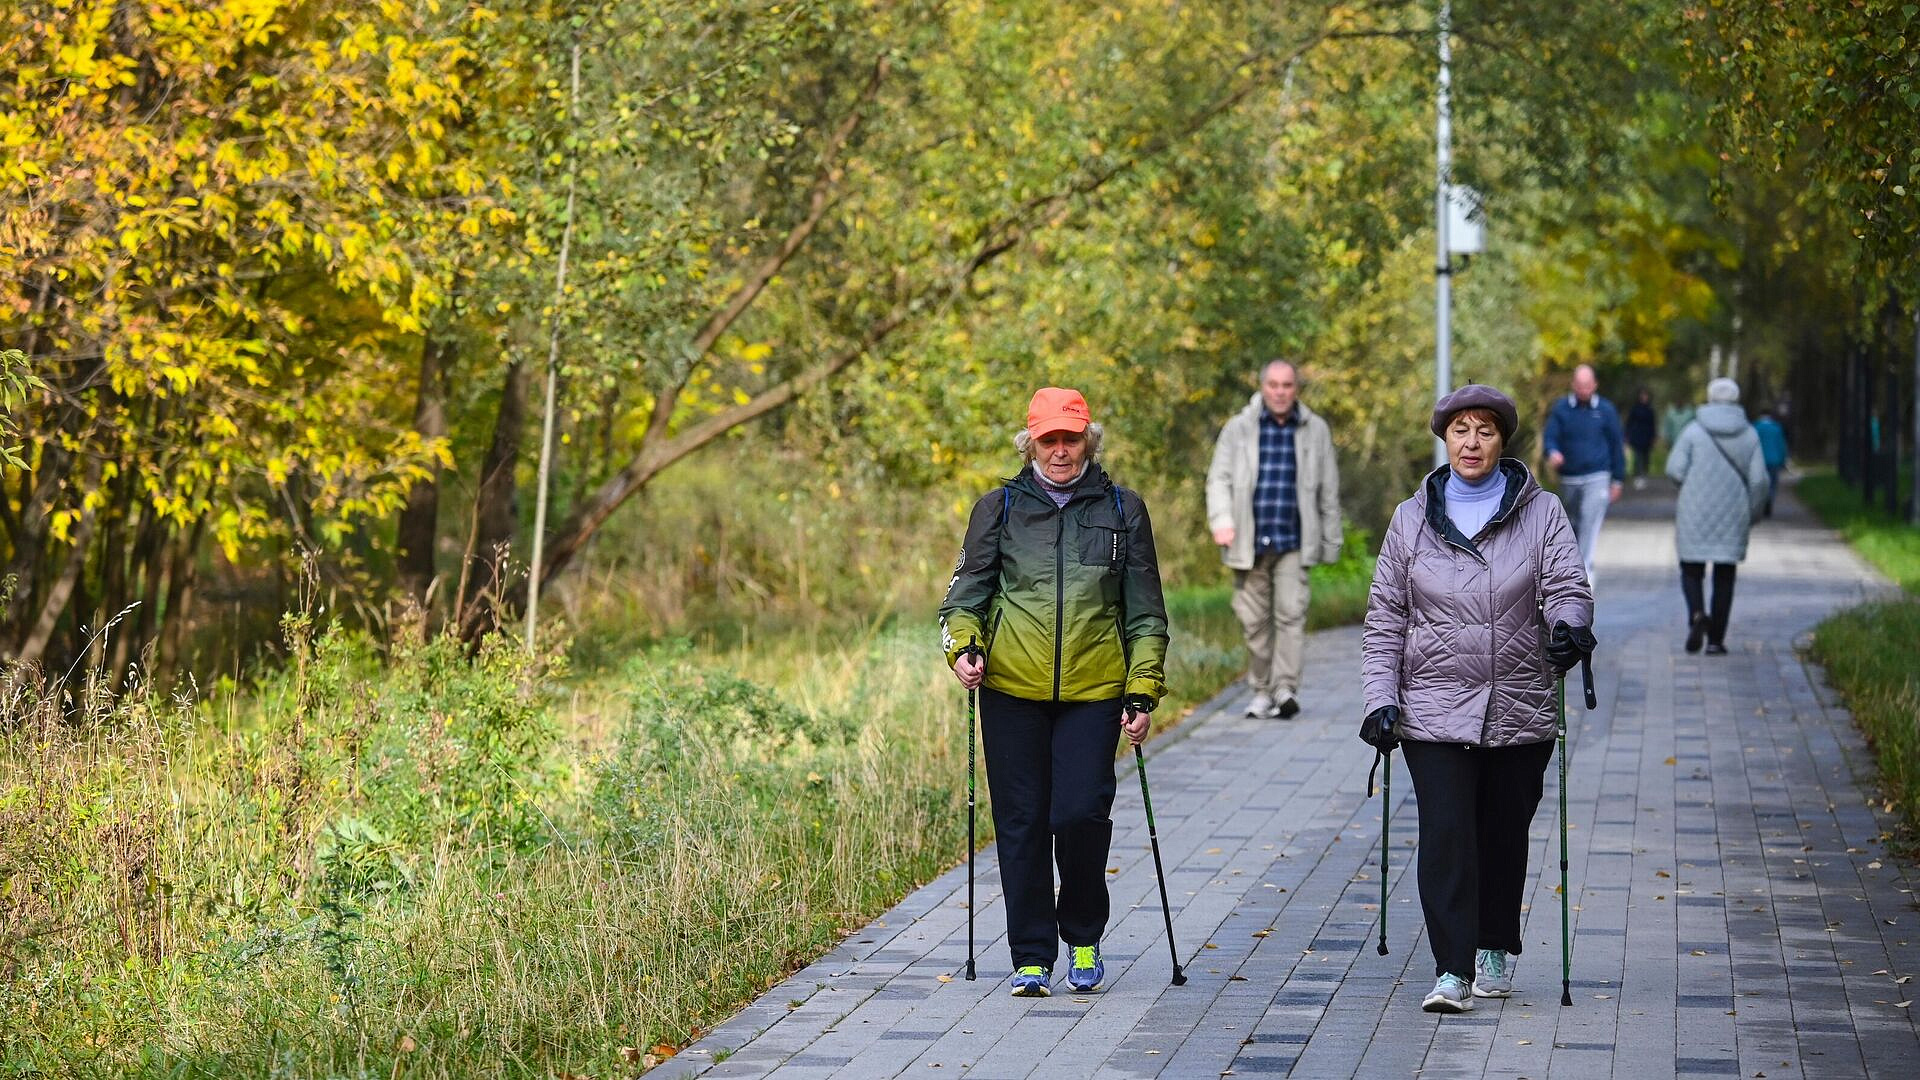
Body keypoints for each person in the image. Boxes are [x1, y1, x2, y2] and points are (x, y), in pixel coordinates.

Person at [1357, 384, 1595, 1013]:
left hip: (1520, 701)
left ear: (1502, 440)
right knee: (1446, 834)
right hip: (1431, 707)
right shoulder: (1412, 519)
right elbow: (1385, 616)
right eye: (1460, 429)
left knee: (1502, 831)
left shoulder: (1540, 513)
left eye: (1485, 430)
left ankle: (1493, 944)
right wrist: (1379, 698)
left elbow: (1568, 583)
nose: (1471, 441)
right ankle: (1452, 969)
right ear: (1444, 438)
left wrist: (1570, 625)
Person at [939, 386, 1170, 998]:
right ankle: (1033, 955)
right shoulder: (999, 509)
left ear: (1088, 440)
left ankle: (1085, 938)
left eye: (1072, 438)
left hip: (1096, 688)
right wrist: (964, 647)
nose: (1061, 450)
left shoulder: (1123, 509)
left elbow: (1146, 614)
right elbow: (964, 598)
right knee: (1021, 822)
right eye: (1050, 440)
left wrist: (1142, 689)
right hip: (1011, 687)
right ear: (1031, 443)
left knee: (1080, 815)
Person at [1204, 359, 1344, 719]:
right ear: (1262, 387)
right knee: (1254, 621)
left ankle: (1284, 689)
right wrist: (1221, 520)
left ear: (1296, 389)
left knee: (1290, 615)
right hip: (1248, 541)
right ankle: (1261, 691)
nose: (1280, 392)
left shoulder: (1316, 430)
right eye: (1274, 385)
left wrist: (1331, 541)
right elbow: (1218, 478)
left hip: (1294, 540)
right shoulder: (1239, 428)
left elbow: (1328, 490)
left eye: (1287, 385)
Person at [1667, 378, 1768, 655]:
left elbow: (1674, 469)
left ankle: (1698, 614)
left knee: (1691, 569)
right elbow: (1759, 481)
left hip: (1694, 511)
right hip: (1734, 514)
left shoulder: (1693, 431)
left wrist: (1690, 487)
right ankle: (1715, 641)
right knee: (1724, 575)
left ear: (1710, 398)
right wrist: (1753, 512)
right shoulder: (1749, 434)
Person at [1542, 364, 1625, 586]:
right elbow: (1550, 437)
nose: (1584, 390)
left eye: (1587, 386)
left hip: (1597, 476)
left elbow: (1616, 445)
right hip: (1569, 478)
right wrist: (1553, 452)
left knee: (1590, 522)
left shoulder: (1606, 411)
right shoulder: (1561, 409)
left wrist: (1617, 479)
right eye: (1579, 386)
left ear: (1594, 385)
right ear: (1573, 386)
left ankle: (1585, 575)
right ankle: (1572, 567)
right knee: (1571, 525)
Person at [1753, 407, 1789, 517]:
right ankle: (1769, 501)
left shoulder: (1755, 427)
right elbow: (1781, 445)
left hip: (1759, 461)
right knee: (1772, 484)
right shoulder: (1776, 428)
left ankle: (1762, 503)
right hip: (1774, 460)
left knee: (1759, 483)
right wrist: (1783, 460)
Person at [1625, 388, 1657, 485]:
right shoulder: (1635, 409)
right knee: (1637, 457)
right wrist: (1627, 435)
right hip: (1637, 436)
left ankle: (1644, 474)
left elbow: (1653, 424)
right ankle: (1638, 475)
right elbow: (1629, 423)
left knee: (1646, 457)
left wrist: (1653, 436)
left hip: (1647, 437)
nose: (1644, 397)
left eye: (1645, 395)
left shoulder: (1650, 410)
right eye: (1642, 395)